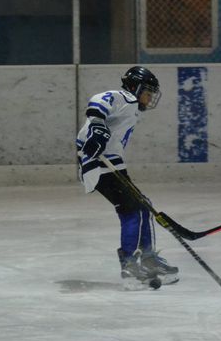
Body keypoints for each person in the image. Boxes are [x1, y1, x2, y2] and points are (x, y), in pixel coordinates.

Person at [76, 66, 179, 290]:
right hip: (100, 164)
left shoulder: (131, 108)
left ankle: (148, 259)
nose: (150, 97)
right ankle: (130, 266)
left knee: (143, 207)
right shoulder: (124, 97)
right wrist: (96, 126)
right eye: (148, 91)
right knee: (132, 210)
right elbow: (98, 102)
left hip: (113, 165)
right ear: (135, 87)